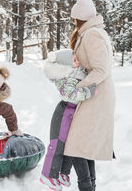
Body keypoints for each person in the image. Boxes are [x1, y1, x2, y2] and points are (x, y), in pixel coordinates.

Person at [64, 0, 116, 191]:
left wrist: (77, 88)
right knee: (83, 145)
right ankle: (89, 187)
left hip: (97, 94)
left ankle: (86, 188)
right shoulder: (90, 32)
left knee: (75, 144)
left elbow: (101, 69)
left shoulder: (92, 33)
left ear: (79, 17)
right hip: (93, 93)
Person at [40, 49, 98, 191]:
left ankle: (63, 172)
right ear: (65, 65)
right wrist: (87, 92)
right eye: (74, 61)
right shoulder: (65, 77)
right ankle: (48, 175)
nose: (78, 62)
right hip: (64, 113)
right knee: (57, 145)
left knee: (68, 145)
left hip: (73, 113)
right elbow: (70, 95)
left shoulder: (77, 72)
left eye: (78, 59)